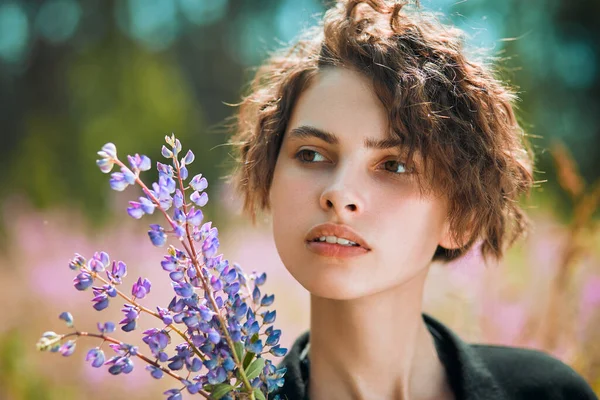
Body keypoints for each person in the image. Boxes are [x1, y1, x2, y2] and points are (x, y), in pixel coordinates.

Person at [228, 0, 598, 399]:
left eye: (394, 166)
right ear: (269, 179)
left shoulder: (549, 394)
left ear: (462, 216)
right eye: (311, 154)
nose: (338, 193)